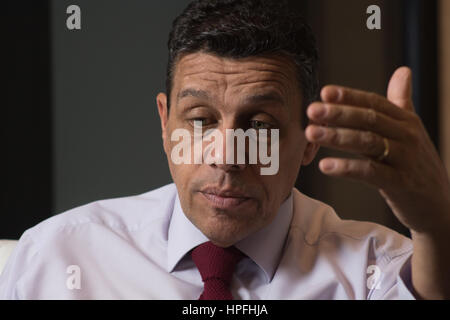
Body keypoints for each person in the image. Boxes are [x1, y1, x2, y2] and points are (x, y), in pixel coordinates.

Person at [1, 0, 449, 300]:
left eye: (260, 125)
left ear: (308, 138)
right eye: (200, 120)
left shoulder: (373, 269)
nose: (227, 155)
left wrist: (436, 226)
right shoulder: (59, 256)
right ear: (164, 123)